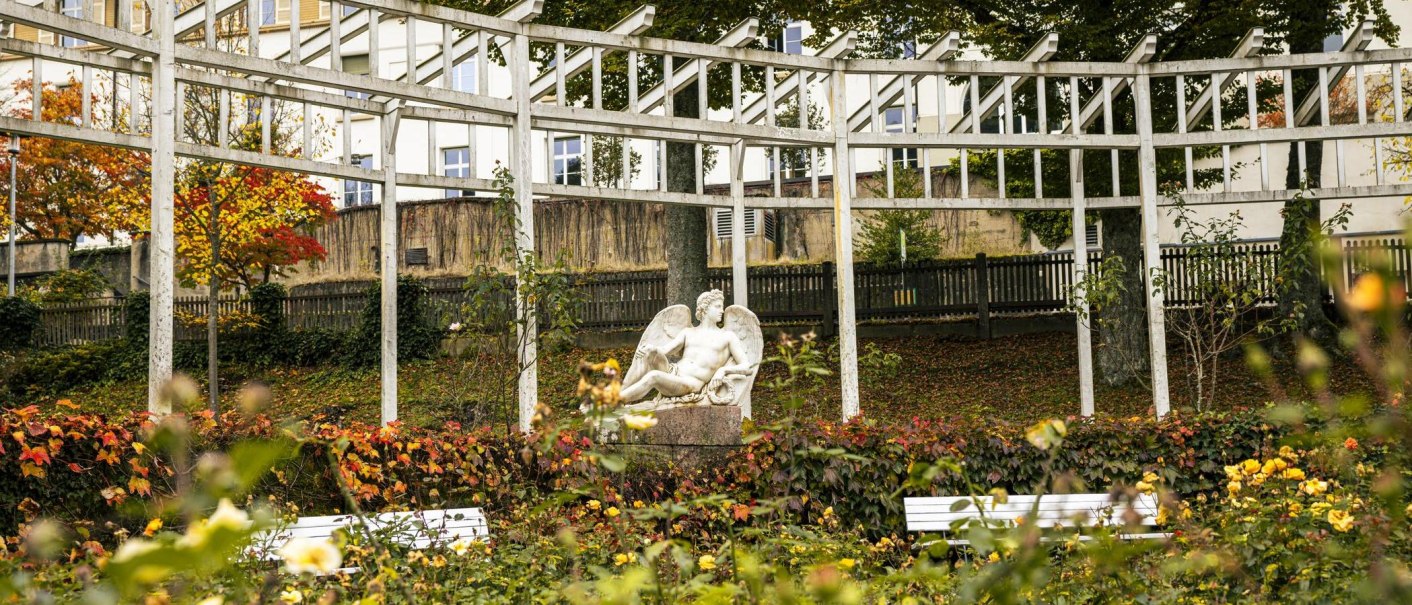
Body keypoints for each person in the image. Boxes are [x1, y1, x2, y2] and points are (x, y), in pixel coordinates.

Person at [620, 289, 756, 403]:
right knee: (649, 350)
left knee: (654, 376)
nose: (722, 310)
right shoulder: (688, 332)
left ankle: (615, 403)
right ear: (705, 309)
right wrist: (648, 350)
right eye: (718, 306)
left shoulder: (727, 336)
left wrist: (723, 371)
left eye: (722, 306)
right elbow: (664, 351)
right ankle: (620, 391)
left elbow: (746, 366)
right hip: (672, 372)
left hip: (691, 383)